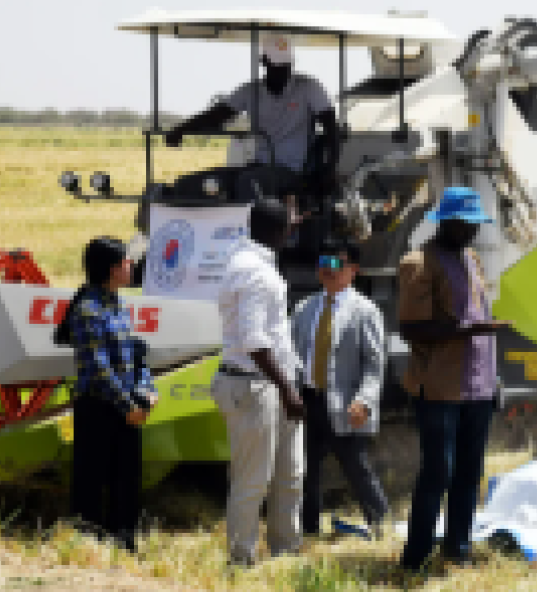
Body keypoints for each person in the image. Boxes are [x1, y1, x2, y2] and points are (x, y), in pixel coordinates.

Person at [396, 187, 510, 570]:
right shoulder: (419, 263)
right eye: (464, 224)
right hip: (440, 388)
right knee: (437, 472)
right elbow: (411, 329)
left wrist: (493, 379)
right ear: (444, 221)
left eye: (475, 224)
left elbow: (478, 318)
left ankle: (458, 549)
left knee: (469, 472)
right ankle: (416, 557)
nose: (471, 231)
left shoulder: (471, 259)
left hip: (477, 387)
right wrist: (469, 330)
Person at [212, 198, 306, 567]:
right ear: (278, 232)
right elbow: (254, 342)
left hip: (268, 383)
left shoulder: (251, 260)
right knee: (253, 480)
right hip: (256, 386)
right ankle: (241, 559)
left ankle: (286, 551)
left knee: (291, 472)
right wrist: (287, 389)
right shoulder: (255, 272)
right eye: (288, 227)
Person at [54, 236, 158, 553]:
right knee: (93, 477)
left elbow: (135, 356)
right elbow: (99, 368)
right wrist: (128, 405)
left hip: (125, 405)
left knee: (126, 478)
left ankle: (123, 540)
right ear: (113, 269)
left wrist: (147, 391)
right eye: (127, 261)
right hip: (99, 407)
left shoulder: (118, 303)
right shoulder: (88, 309)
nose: (131, 266)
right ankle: (90, 545)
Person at [164, 33, 339, 203]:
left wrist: (330, 170)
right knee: (201, 183)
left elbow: (332, 128)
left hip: (292, 170)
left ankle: (250, 231)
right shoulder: (250, 91)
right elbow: (216, 116)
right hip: (258, 165)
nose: (282, 71)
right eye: (276, 66)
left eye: (285, 66)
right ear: (264, 63)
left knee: (248, 183)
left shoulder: (309, 87)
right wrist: (181, 129)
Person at [291, 240, 389, 539]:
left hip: (345, 404)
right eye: (323, 262)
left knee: (356, 467)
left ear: (353, 270)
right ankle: (308, 530)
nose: (327, 270)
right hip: (308, 400)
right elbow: (292, 354)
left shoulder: (365, 311)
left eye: (336, 264)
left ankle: (380, 523)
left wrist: (364, 400)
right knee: (304, 469)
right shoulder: (304, 308)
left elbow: (374, 364)